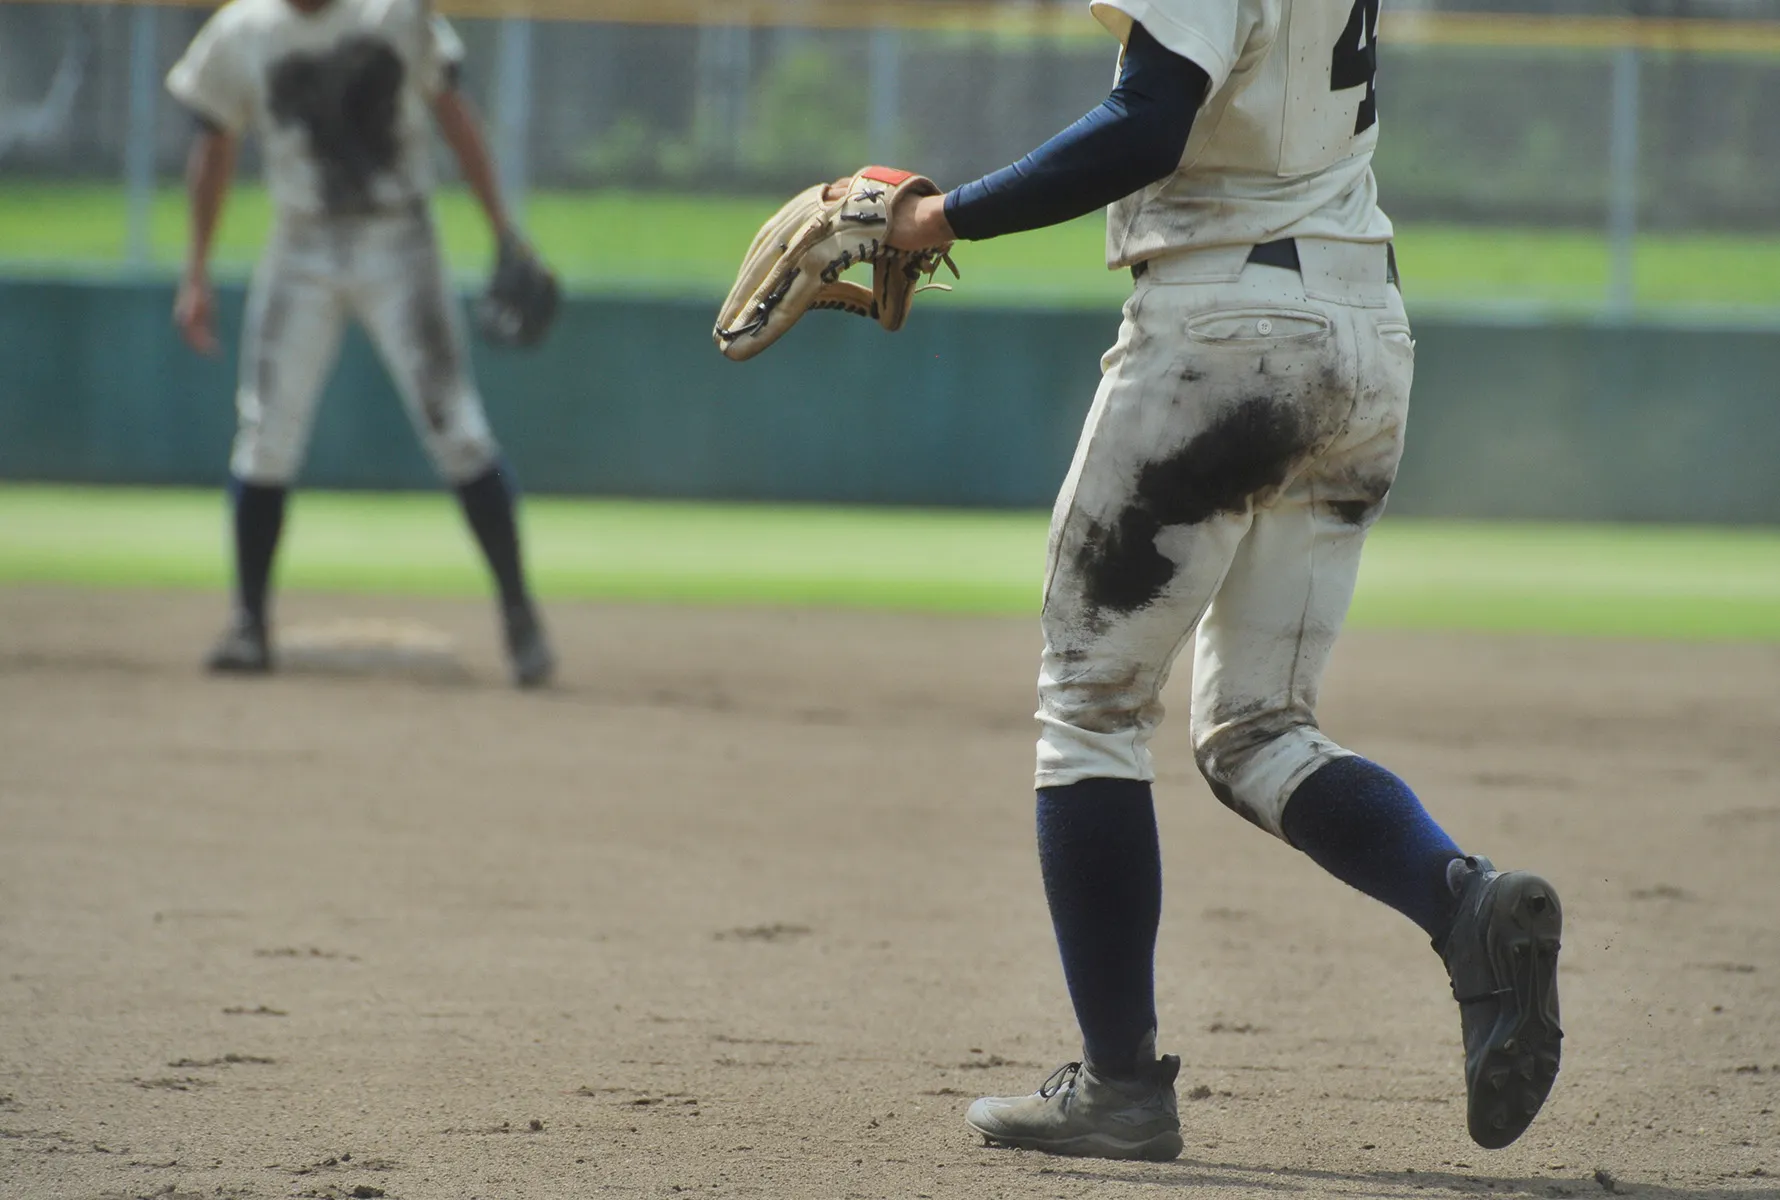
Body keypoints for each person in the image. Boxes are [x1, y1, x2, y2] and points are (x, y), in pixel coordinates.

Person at [886, 0, 1563, 1162]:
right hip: (1362, 330)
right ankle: (1464, 905)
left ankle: (1118, 1090)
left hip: (1227, 329)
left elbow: (1147, 123)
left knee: (1088, 707)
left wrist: (939, 217)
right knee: (1257, 729)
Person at [166, 0, 555, 687]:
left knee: (457, 428)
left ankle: (521, 619)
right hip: (301, 240)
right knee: (266, 431)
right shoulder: (242, 31)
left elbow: (453, 113)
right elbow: (215, 145)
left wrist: (503, 228)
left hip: (398, 237)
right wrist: (195, 272)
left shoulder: (393, 14)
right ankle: (249, 623)